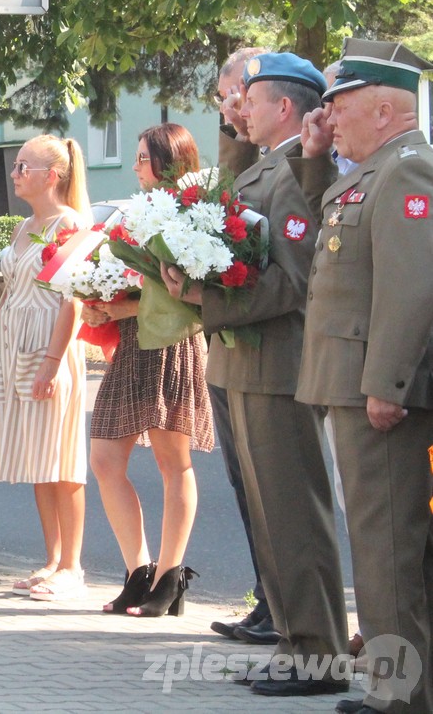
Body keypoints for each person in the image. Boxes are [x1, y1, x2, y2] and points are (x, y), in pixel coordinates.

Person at [162, 52, 348, 698]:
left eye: (251, 96)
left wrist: (202, 300)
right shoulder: (266, 163)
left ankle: (319, 651)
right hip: (246, 361)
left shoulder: (298, 169)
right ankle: (295, 643)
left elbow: (293, 281)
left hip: (279, 363)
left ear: (285, 108)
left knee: (295, 515)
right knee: (270, 521)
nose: (240, 106)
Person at [294, 38, 433, 714]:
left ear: (384, 108)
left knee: (388, 549)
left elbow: (411, 290)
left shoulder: (407, 170)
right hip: (354, 382)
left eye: (338, 103)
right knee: (379, 544)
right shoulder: (374, 170)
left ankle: (398, 695)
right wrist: (316, 156)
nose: (328, 116)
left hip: (377, 391)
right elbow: (334, 222)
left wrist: (387, 382)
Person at [82, 123, 213, 617]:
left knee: (171, 462)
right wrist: (97, 299)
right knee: (104, 459)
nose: (135, 166)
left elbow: (181, 295)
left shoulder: (191, 215)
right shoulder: (133, 214)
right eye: (135, 157)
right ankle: (138, 570)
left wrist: (118, 309)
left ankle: (169, 577)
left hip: (172, 343)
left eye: (142, 158)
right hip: (133, 345)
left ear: (168, 160)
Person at [0, 135, 90, 600]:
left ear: (52, 176)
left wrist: (51, 361)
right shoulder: (24, 226)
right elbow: (9, 288)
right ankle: (51, 559)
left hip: (48, 347)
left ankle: (73, 565)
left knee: (61, 459)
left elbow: (74, 302)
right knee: (37, 460)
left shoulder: (72, 225)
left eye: (23, 166)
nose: (15, 173)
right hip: (14, 346)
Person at [206, 46, 277, 643]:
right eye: (225, 100)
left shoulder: (291, 162)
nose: (232, 110)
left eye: (239, 97)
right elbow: (227, 200)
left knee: (277, 490)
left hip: (270, 349)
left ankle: (291, 614)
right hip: (231, 348)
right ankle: (271, 601)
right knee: (244, 483)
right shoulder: (252, 157)